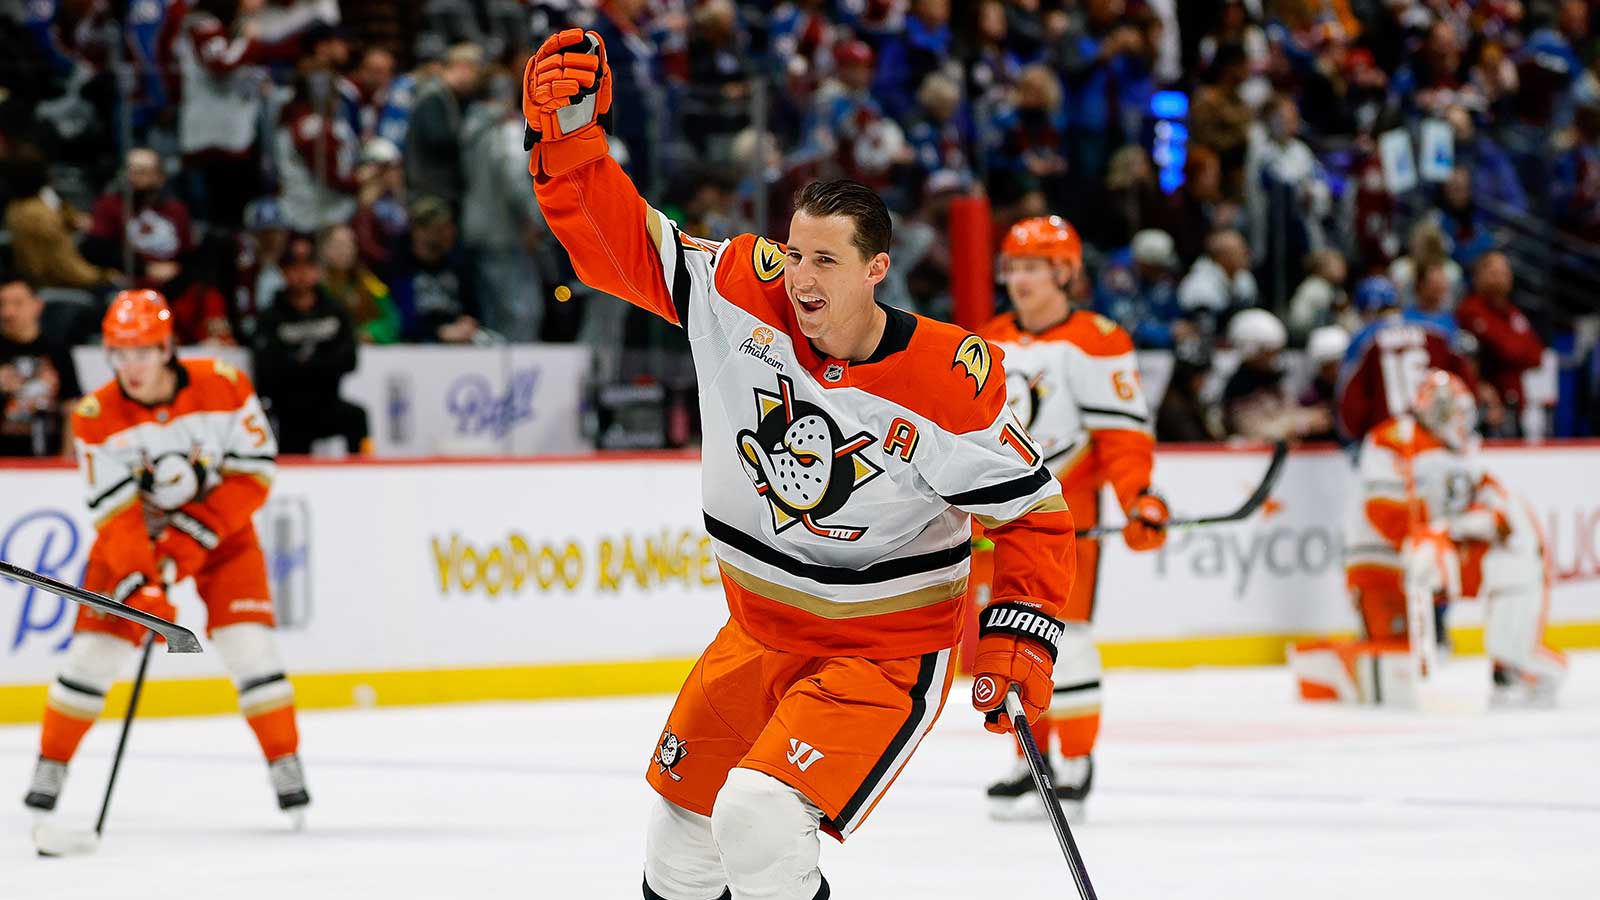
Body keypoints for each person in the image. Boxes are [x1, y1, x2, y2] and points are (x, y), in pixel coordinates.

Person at [523, 30, 1075, 900]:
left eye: (826, 260)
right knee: (677, 850)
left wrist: (1020, 633)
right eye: (795, 251)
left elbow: (1032, 513)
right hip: (757, 634)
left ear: (876, 270)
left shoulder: (944, 383)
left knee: (759, 819)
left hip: (881, 653)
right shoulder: (742, 294)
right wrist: (570, 145)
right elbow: (621, 245)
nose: (800, 275)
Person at [22, 290, 310, 829]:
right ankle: (51, 766)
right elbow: (116, 515)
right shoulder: (96, 416)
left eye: (142, 351)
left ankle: (284, 760)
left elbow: (255, 474)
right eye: (120, 353)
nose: (131, 366)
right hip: (136, 542)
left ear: (167, 347)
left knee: (251, 648)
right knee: (92, 657)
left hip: (222, 534)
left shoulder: (223, 384)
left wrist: (188, 543)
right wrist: (145, 582)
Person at [975, 216, 1169, 821]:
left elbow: (1122, 440)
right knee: (1004, 643)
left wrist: (1140, 497)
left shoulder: (1098, 340)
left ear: (1064, 273)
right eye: (1013, 267)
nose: (1019, 279)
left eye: (1033, 267)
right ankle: (1027, 761)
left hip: (1068, 513)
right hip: (997, 520)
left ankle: (1078, 764)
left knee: (1072, 643)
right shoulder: (986, 340)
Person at [1295, 371, 1567, 706]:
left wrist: (1451, 531)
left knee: (1517, 551)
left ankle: (1513, 658)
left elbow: (1499, 511)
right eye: (1454, 412)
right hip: (1381, 560)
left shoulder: (1465, 456)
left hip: (1433, 554)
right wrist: (1424, 539)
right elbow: (1383, 511)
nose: (1461, 421)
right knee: (1394, 669)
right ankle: (1328, 667)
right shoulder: (1393, 438)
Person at [252, 234, 368, 455]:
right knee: (289, 426)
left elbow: (349, 360)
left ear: (317, 270)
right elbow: (267, 369)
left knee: (356, 416)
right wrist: (319, 364)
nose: (301, 274)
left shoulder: (334, 311)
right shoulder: (271, 316)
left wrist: (303, 364)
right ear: (284, 272)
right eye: (294, 267)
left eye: (308, 267)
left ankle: (363, 472)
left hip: (327, 400)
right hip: (289, 407)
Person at [1336, 276, 1476, 444]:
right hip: (1432, 438)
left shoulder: (1363, 339)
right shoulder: (1434, 331)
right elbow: (1465, 383)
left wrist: (1354, 439)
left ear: (1365, 311)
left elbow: (1348, 407)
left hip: (1386, 439)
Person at [0, 278, 81, 457]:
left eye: (17, 303)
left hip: (48, 457)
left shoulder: (57, 349)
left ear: (37, 305)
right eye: (2, 304)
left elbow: (72, 405)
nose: (8, 312)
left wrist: (66, 457)